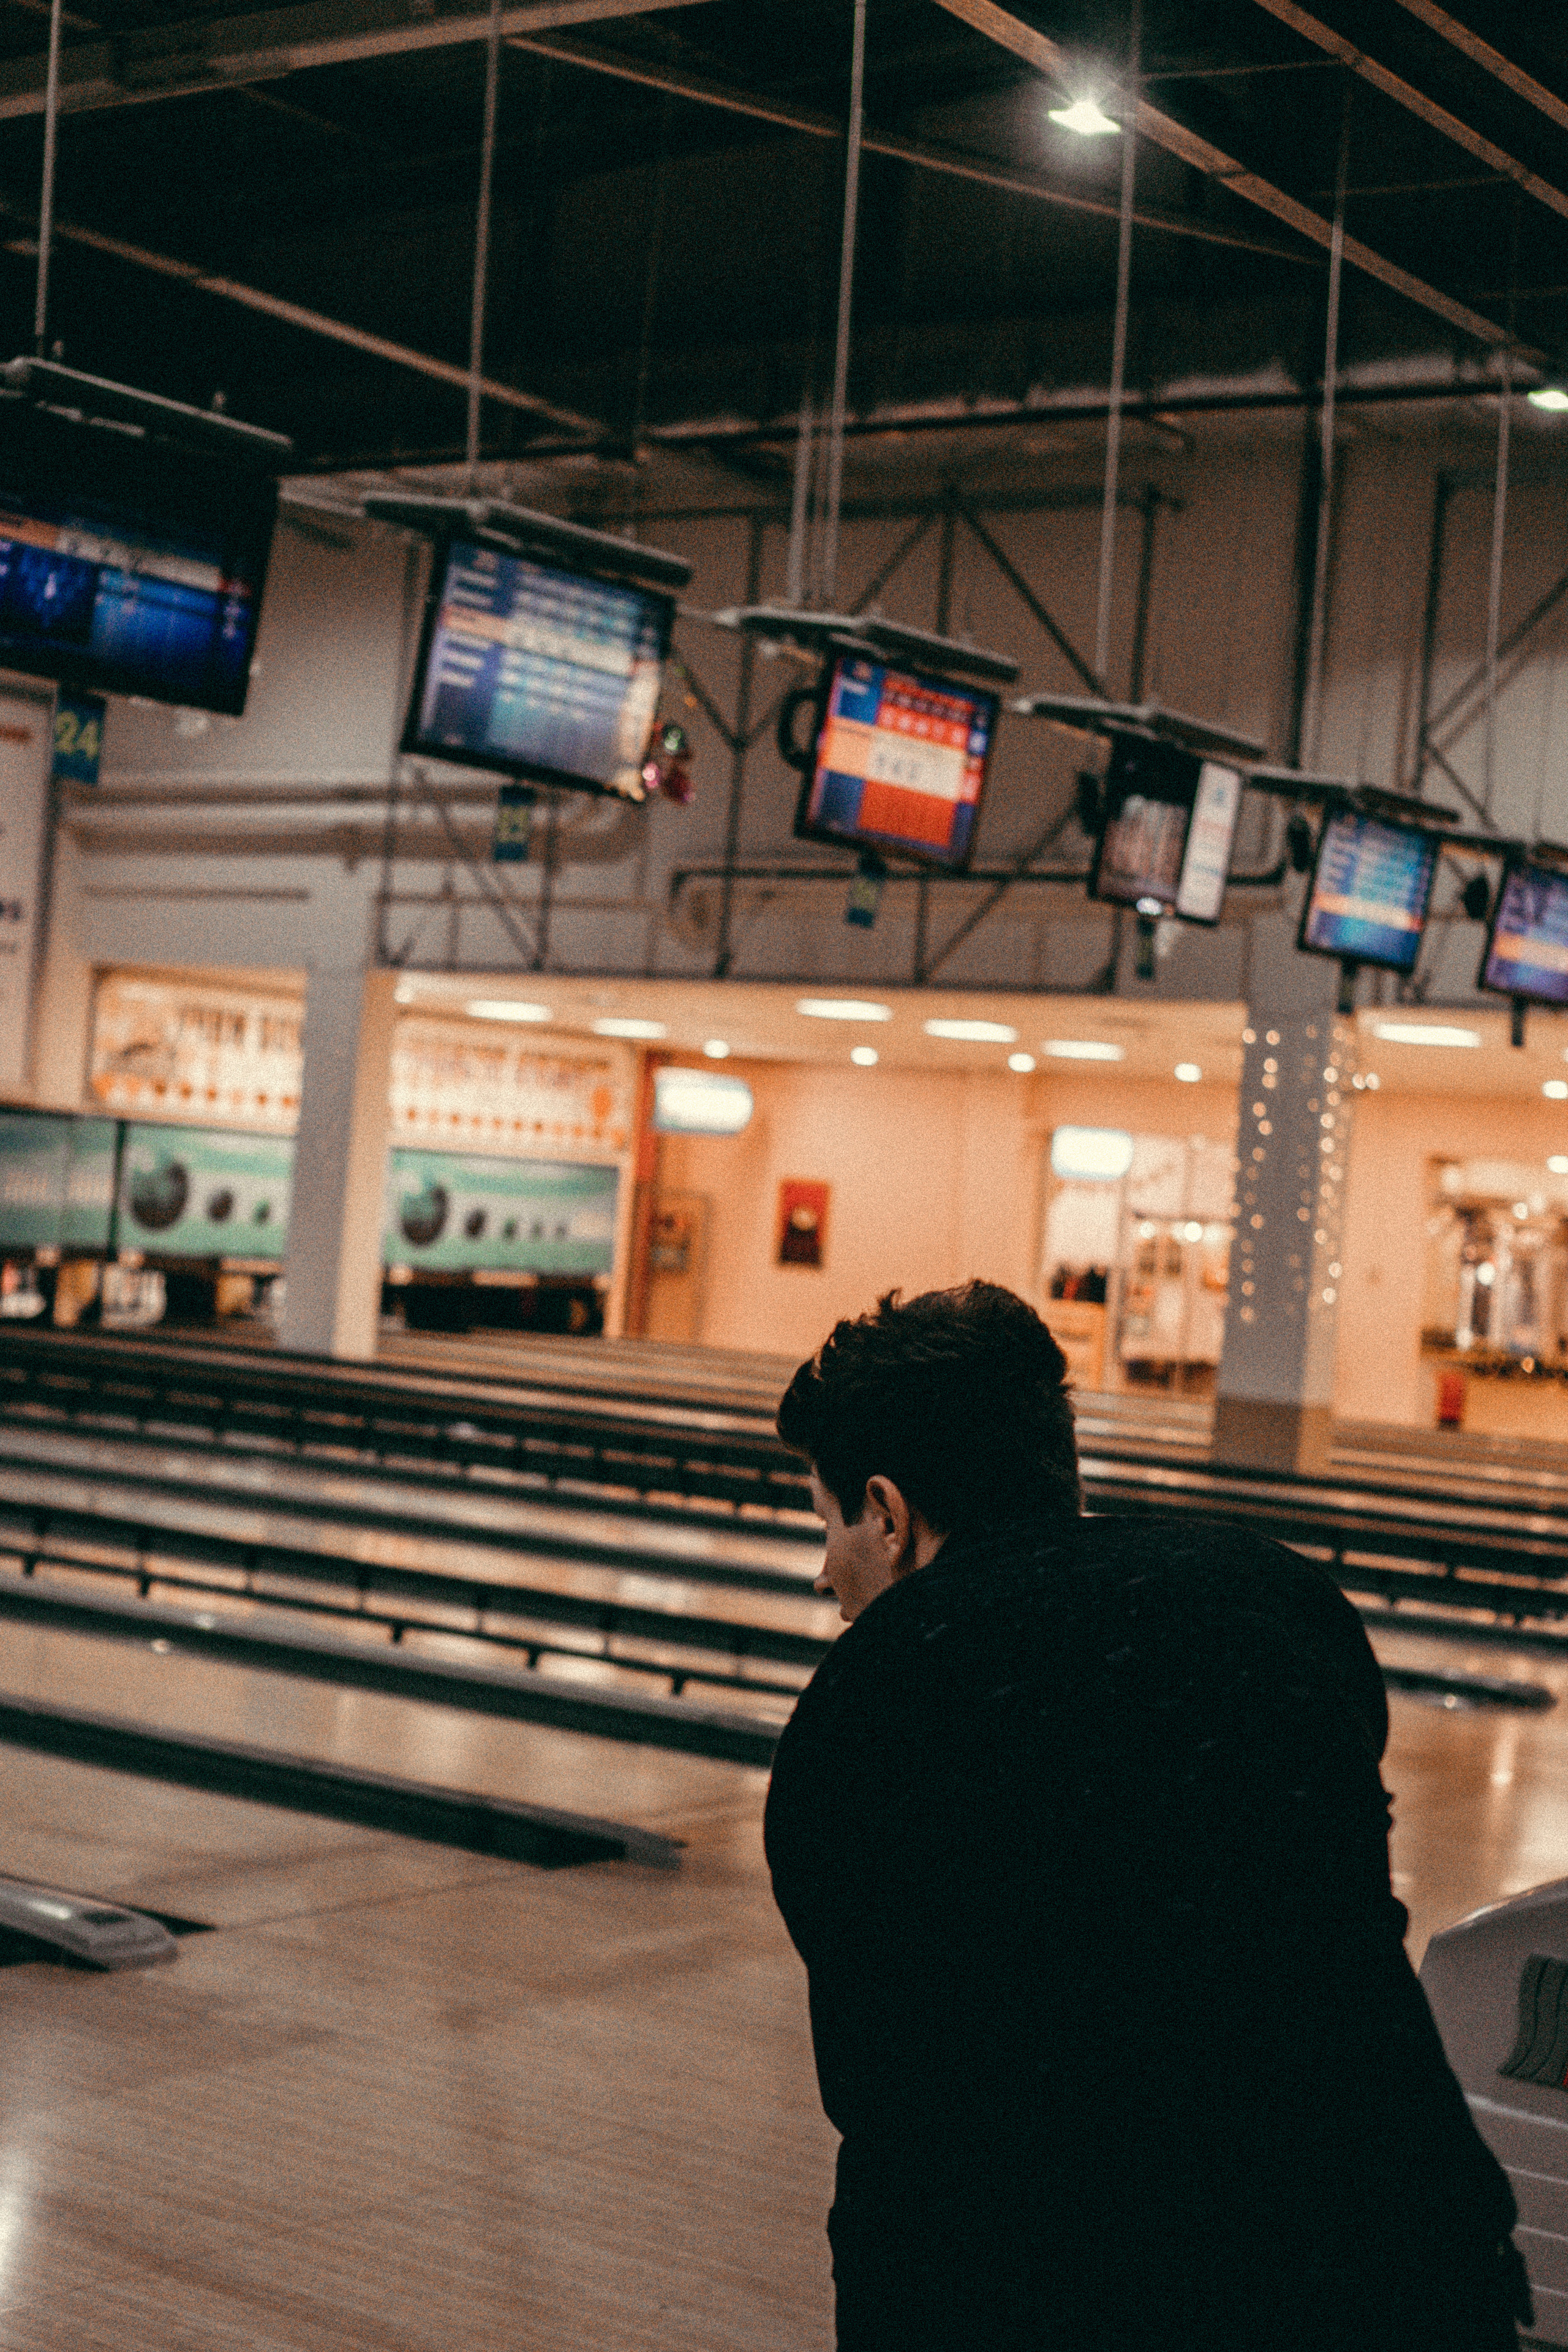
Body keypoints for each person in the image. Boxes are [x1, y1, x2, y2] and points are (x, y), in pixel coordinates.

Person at [763, 1280, 1531, 2352]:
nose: (824, 1572)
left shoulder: (863, 1702)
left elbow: (892, 2099)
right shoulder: (1278, 1601)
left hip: (1048, 2286)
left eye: (827, 1526)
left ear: (887, 1514)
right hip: (1395, 2252)